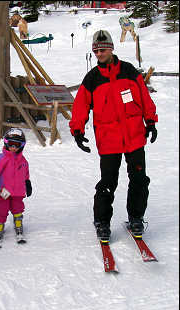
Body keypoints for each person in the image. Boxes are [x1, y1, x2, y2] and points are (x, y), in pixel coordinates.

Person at [69, 30, 158, 242]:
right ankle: (102, 222)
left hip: (134, 136)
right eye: (96, 51)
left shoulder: (129, 71)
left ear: (111, 49)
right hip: (109, 140)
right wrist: (77, 130)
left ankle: (136, 217)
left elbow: (144, 98)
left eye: (103, 49)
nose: (100, 53)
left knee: (139, 180)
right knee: (108, 182)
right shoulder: (92, 79)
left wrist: (151, 121)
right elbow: (80, 105)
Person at [0, 128, 32, 242]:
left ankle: (18, 223)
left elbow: (25, 173)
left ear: (21, 146)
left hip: (18, 192)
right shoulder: (1, 158)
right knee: (2, 209)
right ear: (6, 143)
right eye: (11, 144)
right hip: (4, 191)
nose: (14, 148)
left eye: (17, 145)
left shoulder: (23, 160)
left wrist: (27, 183)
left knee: (18, 208)